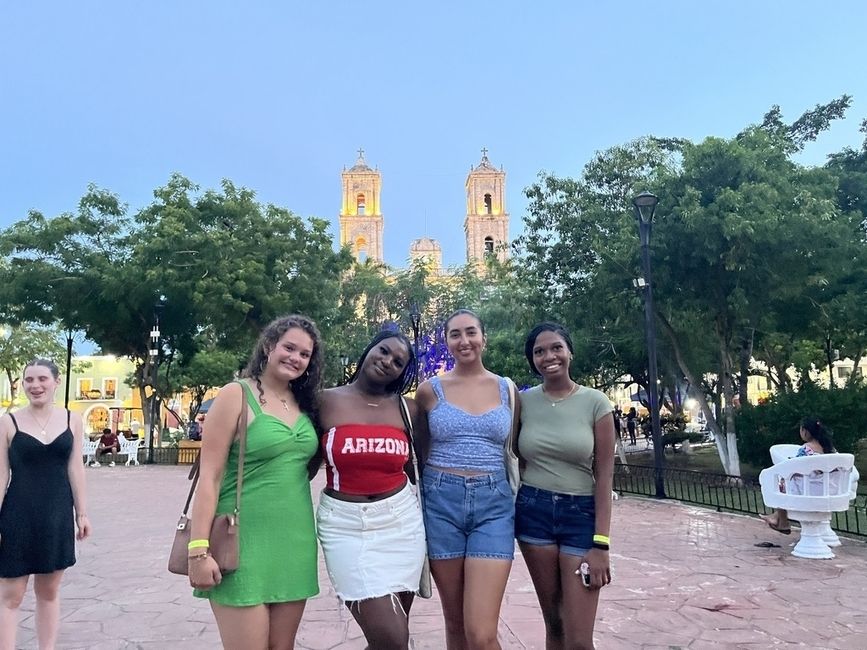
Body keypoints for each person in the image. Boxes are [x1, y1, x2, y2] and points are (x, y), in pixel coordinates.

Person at [188, 315, 322, 650]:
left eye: (304, 354)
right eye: (289, 347)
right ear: (268, 346)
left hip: (294, 543)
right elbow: (210, 476)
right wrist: (197, 549)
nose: (295, 357)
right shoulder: (236, 394)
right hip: (240, 541)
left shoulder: (306, 404)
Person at [415, 308, 518, 650]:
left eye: (471, 332)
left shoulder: (507, 389)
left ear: (483, 338)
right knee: (456, 624)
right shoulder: (430, 391)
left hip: (493, 505)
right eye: (455, 334)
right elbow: (420, 449)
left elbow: (514, 448)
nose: (464, 340)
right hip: (441, 502)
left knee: (482, 633)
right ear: (446, 341)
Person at [317, 330, 426, 649]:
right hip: (344, 527)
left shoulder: (408, 410)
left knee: (390, 640)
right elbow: (301, 455)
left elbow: (419, 466)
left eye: (398, 362)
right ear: (369, 349)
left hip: (401, 525)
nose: (387, 361)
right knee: (392, 638)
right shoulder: (324, 401)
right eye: (383, 350)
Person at [516, 322, 615, 650]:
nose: (549, 356)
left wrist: (601, 545)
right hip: (534, 514)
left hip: (580, 516)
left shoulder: (596, 403)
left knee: (579, 639)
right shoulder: (523, 402)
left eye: (556, 347)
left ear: (569, 351)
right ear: (533, 360)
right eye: (539, 351)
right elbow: (515, 455)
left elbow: (604, 476)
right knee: (555, 623)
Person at [0, 358, 91, 650]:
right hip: (17, 515)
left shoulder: (71, 420)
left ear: (55, 382)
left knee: (49, 591)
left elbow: (75, 468)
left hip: (57, 515)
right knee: (11, 594)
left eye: (42, 379)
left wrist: (82, 513)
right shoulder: (7, 422)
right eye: (29, 380)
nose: (35, 385)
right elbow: (0, 475)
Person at [760, 417, 835, 535]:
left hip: (808, 491)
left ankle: (783, 522)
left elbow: (795, 469)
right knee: (785, 482)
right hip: (827, 490)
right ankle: (776, 517)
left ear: (805, 431)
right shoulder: (829, 449)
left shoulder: (805, 449)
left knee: (781, 482)